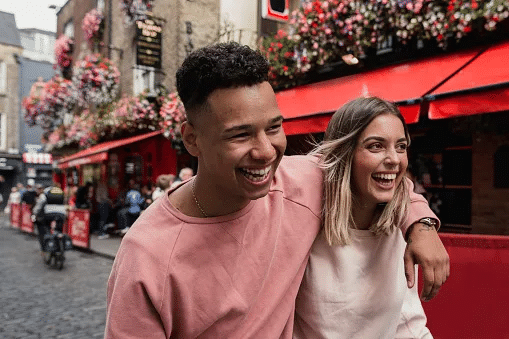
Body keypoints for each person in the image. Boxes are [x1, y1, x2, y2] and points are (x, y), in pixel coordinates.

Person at [105, 42, 448, 338]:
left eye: (274, 128)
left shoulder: (297, 181)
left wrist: (422, 226)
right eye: (240, 135)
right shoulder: (146, 256)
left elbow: (383, 175)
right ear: (192, 139)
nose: (266, 151)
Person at [294, 97, 441, 338]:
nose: (394, 159)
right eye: (376, 146)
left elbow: (408, 325)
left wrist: (423, 223)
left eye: (401, 146)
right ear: (344, 154)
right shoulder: (304, 225)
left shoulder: (402, 228)